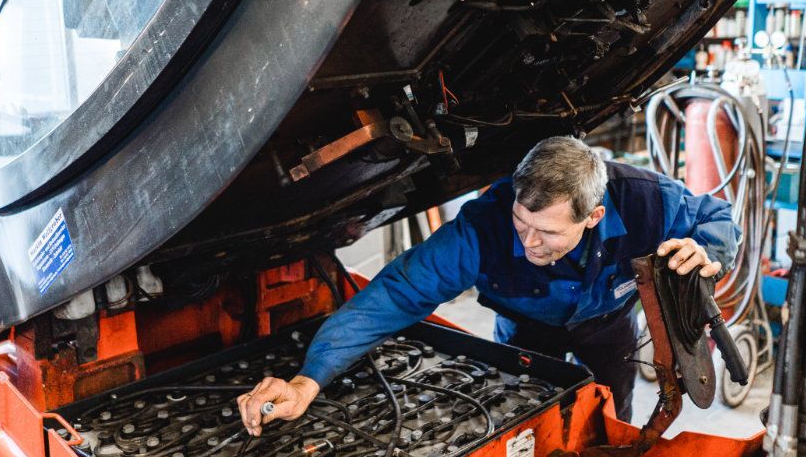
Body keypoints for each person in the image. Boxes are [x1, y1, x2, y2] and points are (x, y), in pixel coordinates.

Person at [236, 136, 739, 434]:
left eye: (548, 232)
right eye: (522, 223)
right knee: (520, 423)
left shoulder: (644, 200)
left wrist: (707, 251)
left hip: (608, 329)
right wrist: (309, 379)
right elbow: (395, 295)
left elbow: (717, 217)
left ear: (594, 216)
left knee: (610, 421)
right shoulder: (482, 229)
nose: (529, 242)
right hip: (524, 332)